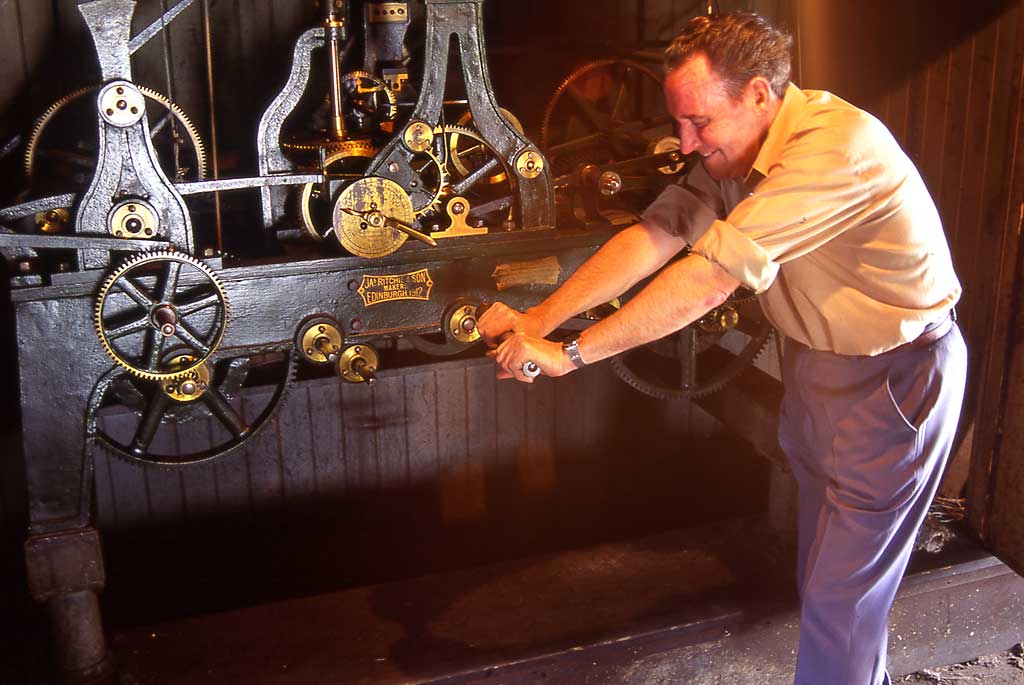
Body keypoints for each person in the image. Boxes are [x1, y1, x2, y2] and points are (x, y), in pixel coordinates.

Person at [477, 11, 966, 685]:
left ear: (760, 95)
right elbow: (661, 232)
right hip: (817, 372)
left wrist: (575, 353)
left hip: (893, 380)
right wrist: (541, 317)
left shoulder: (835, 148)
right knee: (827, 584)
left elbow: (709, 280)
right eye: (678, 121)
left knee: (840, 604)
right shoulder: (738, 150)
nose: (684, 140)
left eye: (698, 123)